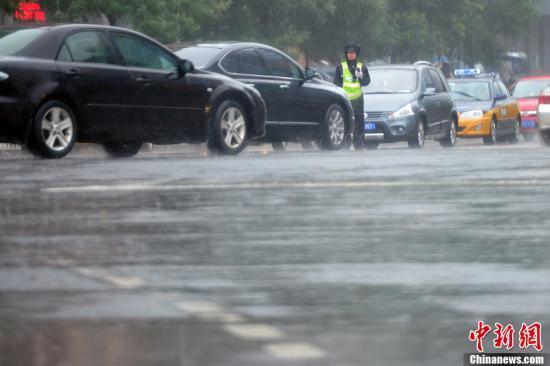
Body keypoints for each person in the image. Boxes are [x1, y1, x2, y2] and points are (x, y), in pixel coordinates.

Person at [334, 43, 371, 149]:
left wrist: (361, 77)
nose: (350, 55)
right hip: (345, 101)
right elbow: (336, 84)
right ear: (346, 54)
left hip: (358, 101)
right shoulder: (341, 67)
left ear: (356, 54)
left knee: (359, 123)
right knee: (345, 122)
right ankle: (346, 143)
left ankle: (359, 144)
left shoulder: (361, 67)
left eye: (353, 53)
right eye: (349, 53)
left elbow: (366, 82)